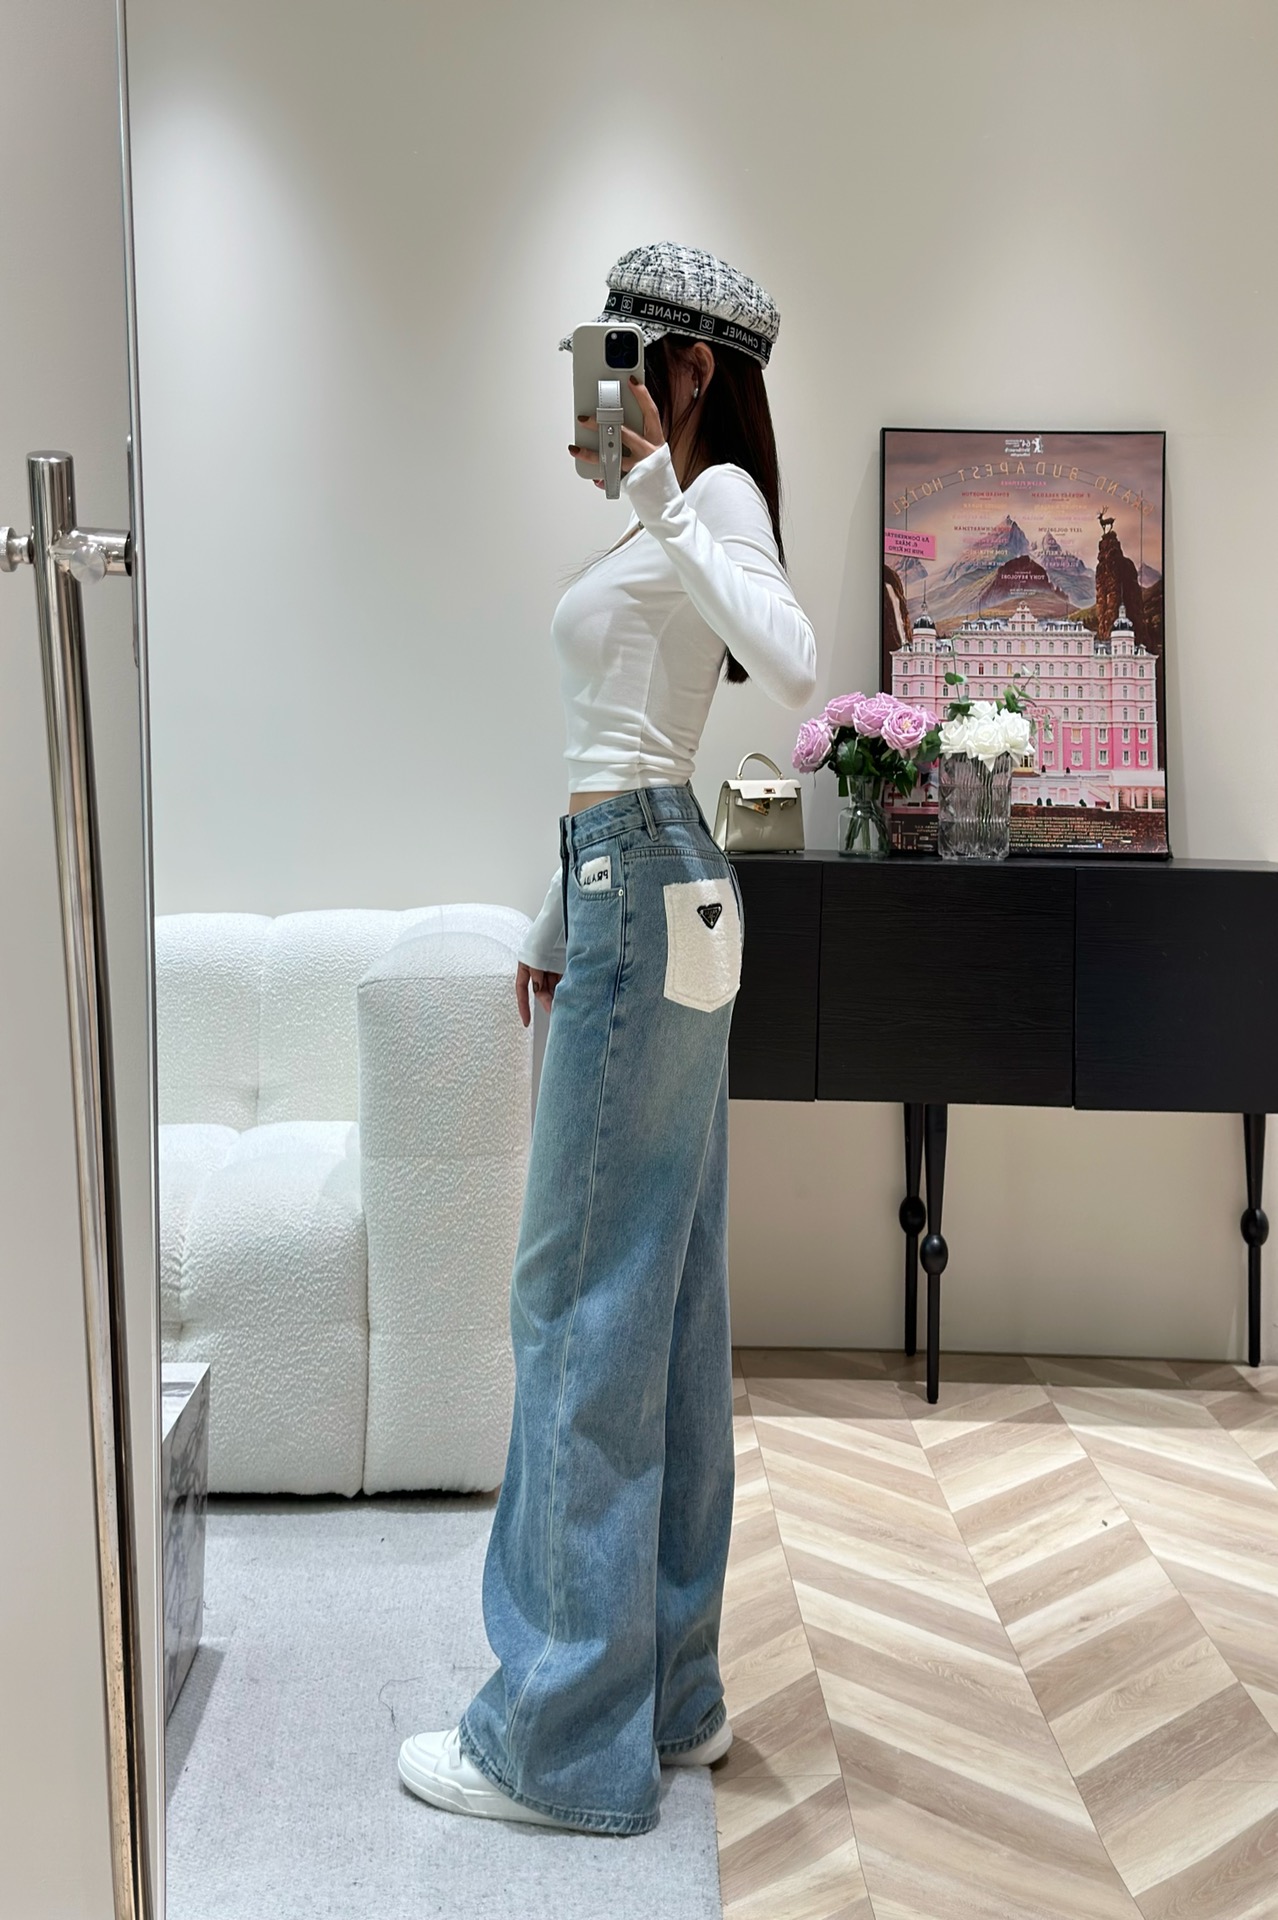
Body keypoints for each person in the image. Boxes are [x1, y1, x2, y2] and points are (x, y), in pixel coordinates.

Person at [399, 242, 817, 1837]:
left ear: (688, 371)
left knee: (576, 1294)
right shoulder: (676, 515)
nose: (596, 396)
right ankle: (669, 1696)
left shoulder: (710, 501)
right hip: (646, 882)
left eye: (620, 360)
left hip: (644, 879)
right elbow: (616, 744)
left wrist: (657, 495)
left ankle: (558, 1741)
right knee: (666, 1295)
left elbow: (791, 664)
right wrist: (548, 916)